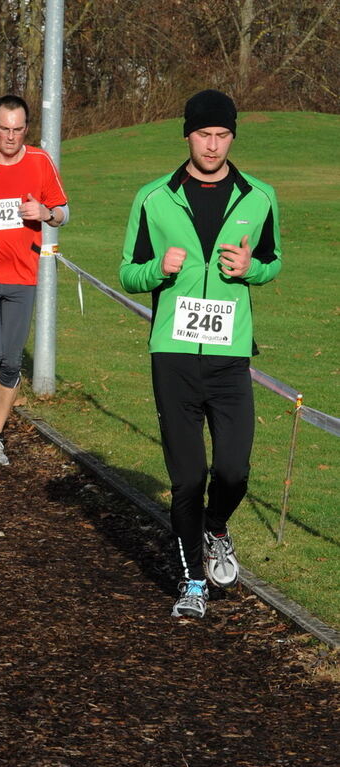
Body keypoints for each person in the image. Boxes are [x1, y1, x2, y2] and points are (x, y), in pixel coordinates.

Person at [119, 89, 282, 619]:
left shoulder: (260, 196)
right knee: (188, 476)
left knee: (233, 470)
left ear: (232, 137)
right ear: (187, 135)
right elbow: (128, 272)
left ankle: (216, 528)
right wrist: (158, 271)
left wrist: (250, 269)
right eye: (204, 134)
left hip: (231, 356)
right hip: (173, 355)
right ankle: (192, 581)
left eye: (222, 135)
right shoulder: (153, 197)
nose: (213, 145)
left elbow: (273, 261)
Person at [0, 95, 68, 465]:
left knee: (12, 362)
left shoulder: (39, 161)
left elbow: (64, 212)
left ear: (26, 130)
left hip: (22, 275)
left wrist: (46, 212)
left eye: (18, 130)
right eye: (4, 129)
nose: (10, 136)